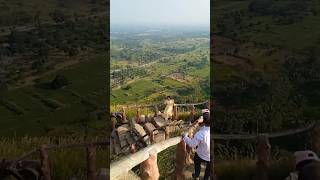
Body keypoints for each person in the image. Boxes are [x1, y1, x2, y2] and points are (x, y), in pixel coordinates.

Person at [183, 109, 210, 180]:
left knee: (197, 160)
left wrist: (184, 137)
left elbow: (192, 145)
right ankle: (206, 178)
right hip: (211, 156)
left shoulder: (201, 133)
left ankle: (197, 174)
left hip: (201, 154)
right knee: (209, 168)